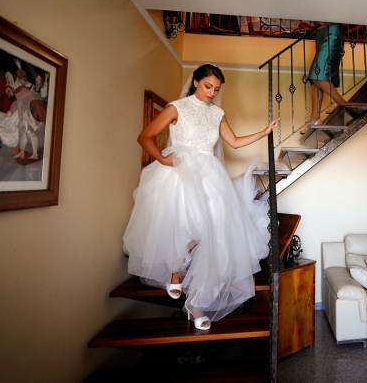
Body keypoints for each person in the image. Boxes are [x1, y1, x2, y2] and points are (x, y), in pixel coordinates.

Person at [123, 64, 279, 330]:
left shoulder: (218, 113)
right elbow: (145, 136)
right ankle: (175, 269)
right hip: (179, 174)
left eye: (217, 89)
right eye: (208, 86)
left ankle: (196, 304)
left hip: (210, 177)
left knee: (215, 235)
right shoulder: (176, 107)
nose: (212, 92)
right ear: (195, 82)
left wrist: (263, 132)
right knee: (189, 226)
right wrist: (162, 158)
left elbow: (235, 142)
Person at [298, 22, 347, 134]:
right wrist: (310, 27)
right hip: (321, 38)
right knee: (317, 79)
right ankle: (314, 120)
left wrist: (329, 20)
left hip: (332, 36)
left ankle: (343, 104)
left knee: (316, 74)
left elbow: (346, 11)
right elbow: (321, 24)